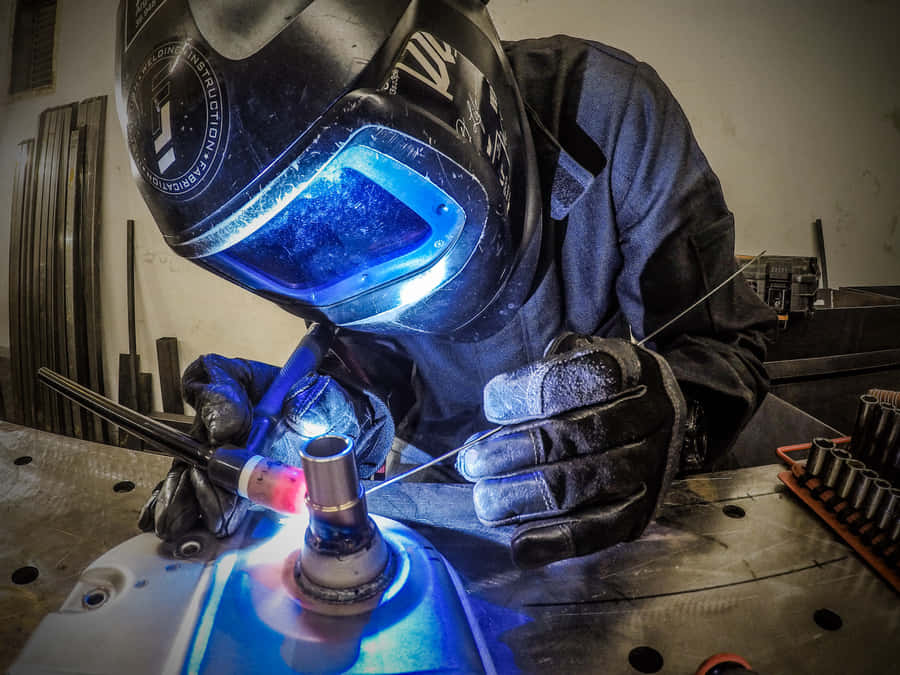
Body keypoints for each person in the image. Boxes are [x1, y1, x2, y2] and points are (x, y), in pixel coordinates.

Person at [117, 0, 775, 568]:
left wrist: (665, 416)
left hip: (595, 505)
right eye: (298, 249)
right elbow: (376, 369)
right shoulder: (351, 273)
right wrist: (300, 416)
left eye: (367, 210)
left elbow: (722, 349)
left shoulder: (610, 111)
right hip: (437, 504)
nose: (355, 266)